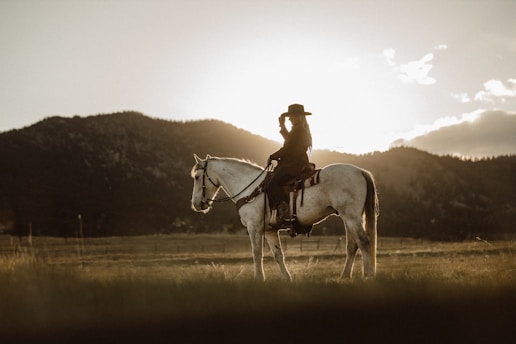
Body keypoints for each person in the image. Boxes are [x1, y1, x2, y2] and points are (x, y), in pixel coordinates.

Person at [267, 104, 313, 227]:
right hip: (298, 162)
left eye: (291, 116)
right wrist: (282, 126)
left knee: (273, 183)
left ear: (298, 117)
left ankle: (284, 209)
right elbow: (290, 141)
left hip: (293, 164)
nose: (290, 119)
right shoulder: (300, 129)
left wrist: (272, 157)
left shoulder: (298, 130)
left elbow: (287, 148)